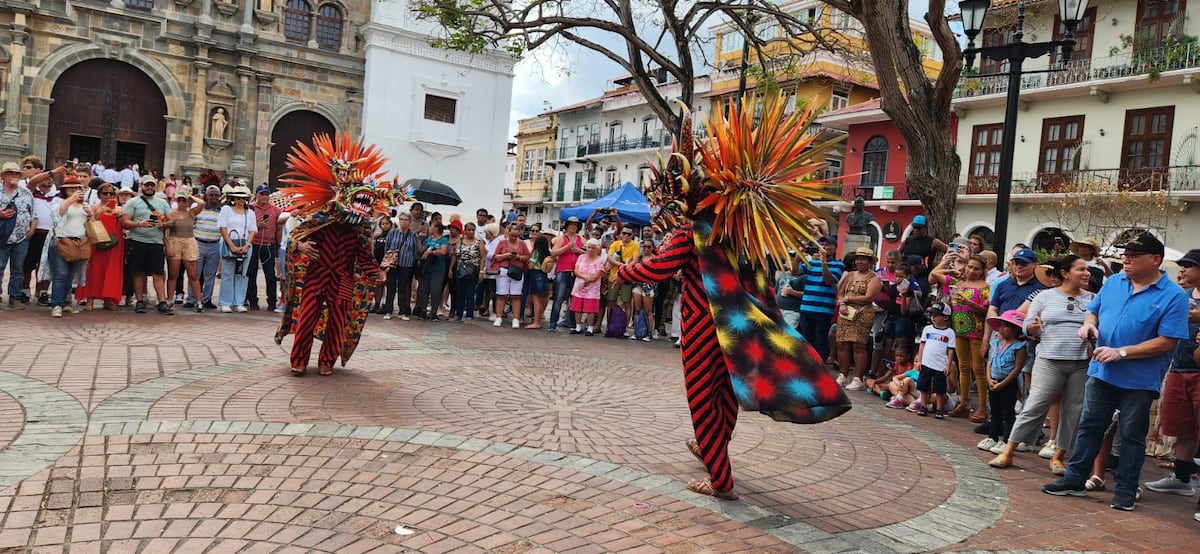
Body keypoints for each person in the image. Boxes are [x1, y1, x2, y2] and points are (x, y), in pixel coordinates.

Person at [1042, 231, 1190, 512]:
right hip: (1101, 372)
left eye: (1133, 256)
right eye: (1125, 255)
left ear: (1155, 260)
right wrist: (1088, 324)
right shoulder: (1114, 283)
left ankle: (1125, 490)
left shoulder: (1174, 297)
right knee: (1089, 427)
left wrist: (1122, 352)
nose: (1126, 260)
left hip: (1139, 380)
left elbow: (1168, 341)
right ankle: (1075, 479)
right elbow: (1093, 311)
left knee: (1132, 436)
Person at [275, 133, 391, 376]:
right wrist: (302, 246)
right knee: (306, 319)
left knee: (337, 323)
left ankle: (327, 361)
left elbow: (363, 256)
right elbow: (296, 237)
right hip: (317, 276)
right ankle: (299, 360)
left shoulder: (359, 228)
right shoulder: (321, 218)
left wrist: (377, 273)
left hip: (343, 280)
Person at [989, 255, 1095, 470]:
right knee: (1035, 404)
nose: (1087, 273)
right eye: (1081, 269)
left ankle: (1058, 456)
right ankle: (1008, 451)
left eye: (1087, 269)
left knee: (1073, 410)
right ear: (1065, 273)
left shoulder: (1093, 299)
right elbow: (1026, 325)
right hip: (1048, 360)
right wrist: (1033, 328)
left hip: (1081, 362)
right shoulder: (1044, 297)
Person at [1142, 249, 1200, 503]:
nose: (1183, 270)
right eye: (1182, 265)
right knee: (1183, 428)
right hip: (1179, 367)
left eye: (1190, 265)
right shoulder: (1183, 296)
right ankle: (1182, 479)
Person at [930, 253, 992, 422]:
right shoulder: (958, 283)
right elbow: (935, 274)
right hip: (959, 329)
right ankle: (964, 403)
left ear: (983, 271)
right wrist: (950, 268)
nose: (971, 271)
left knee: (978, 369)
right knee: (963, 367)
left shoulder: (985, 287)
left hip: (976, 331)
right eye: (969, 267)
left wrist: (969, 303)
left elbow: (987, 310)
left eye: (976, 268)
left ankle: (982, 407)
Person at [120, 174, 173, 314]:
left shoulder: (162, 203)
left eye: (152, 185)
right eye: (146, 185)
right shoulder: (133, 202)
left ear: (156, 186)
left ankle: (162, 301)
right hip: (137, 241)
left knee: (158, 273)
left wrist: (164, 224)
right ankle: (140, 301)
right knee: (138, 273)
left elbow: (172, 221)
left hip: (156, 242)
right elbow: (124, 222)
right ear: (141, 186)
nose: (149, 187)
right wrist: (139, 224)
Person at [977, 310, 1027, 451]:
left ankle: (1006, 439)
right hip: (994, 380)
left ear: (1016, 329)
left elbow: (1017, 368)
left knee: (1008, 412)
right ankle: (992, 437)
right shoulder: (996, 344)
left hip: (1008, 382)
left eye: (1006, 326)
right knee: (995, 410)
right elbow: (990, 362)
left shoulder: (1019, 347)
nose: (1001, 328)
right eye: (1000, 325)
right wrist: (989, 378)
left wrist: (1003, 383)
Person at [835, 247, 882, 390]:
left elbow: (869, 297)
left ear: (869, 261)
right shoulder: (850, 275)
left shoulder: (874, 278)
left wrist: (848, 298)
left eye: (863, 259)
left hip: (863, 313)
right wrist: (842, 302)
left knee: (859, 345)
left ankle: (859, 378)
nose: (859, 261)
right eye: (857, 258)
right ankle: (843, 374)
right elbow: (840, 292)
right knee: (842, 343)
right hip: (846, 312)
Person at [45, 176, 92, 317]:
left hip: (80, 242)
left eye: (76, 187)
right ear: (64, 190)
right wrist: (71, 200)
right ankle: (56, 304)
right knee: (61, 273)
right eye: (70, 188)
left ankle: (65, 302)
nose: (74, 190)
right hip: (60, 241)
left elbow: (91, 221)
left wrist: (90, 214)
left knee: (70, 276)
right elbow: (56, 215)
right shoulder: (58, 201)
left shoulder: (85, 203)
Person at [797, 237, 845, 363]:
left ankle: (820, 365)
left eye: (828, 245)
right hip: (806, 307)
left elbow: (829, 280)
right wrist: (798, 254)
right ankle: (806, 364)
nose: (824, 247)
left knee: (820, 339)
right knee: (806, 339)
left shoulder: (839, 265)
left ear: (835, 248)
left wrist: (823, 262)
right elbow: (795, 271)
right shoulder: (812, 263)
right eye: (822, 244)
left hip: (823, 310)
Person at [911, 301, 957, 418]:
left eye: (937, 315)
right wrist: (920, 360)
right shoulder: (927, 329)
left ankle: (939, 409)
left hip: (940, 364)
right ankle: (923, 405)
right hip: (926, 362)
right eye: (932, 315)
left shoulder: (949, 333)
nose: (933, 317)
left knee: (940, 388)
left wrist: (948, 365)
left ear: (946, 317)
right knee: (923, 386)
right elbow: (922, 345)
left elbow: (951, 350)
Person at [217, 185, 257, 313]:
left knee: (242, 273)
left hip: (245, 244)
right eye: (238, 198)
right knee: (227, 273)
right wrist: (232, 246)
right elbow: (222, 228)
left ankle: (239, 301)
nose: (241, 200)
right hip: (229, 244)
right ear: (233, 198)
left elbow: (252, 230)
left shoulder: (250, 213)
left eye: (243, 198)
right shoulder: (226, 209)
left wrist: (247, 245)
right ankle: (225, 302)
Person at [165, 186, 204, 313]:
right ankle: (169, 299)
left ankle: (199, 301)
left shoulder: (191, 212)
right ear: (177, 200)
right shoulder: (171, 214)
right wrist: (167, 245)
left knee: (193, 274)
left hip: (189, 242)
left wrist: (190, 196)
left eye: (184, 200)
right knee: (173, 274)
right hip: (174, 240)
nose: (182, 202)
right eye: (180, 199)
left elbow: (201, 203)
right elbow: (165, 231)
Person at [247, 183, 283, 311]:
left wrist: (278, 245)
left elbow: (280, 227)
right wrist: (258, 226)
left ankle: (272, 302)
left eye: (266, 194)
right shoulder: (250, 209)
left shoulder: (275, 210)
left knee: (270, 274)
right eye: (261, 194)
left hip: (268, 245)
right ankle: (252, 300)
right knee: (251, 273)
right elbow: (246, 227)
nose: (264, 197)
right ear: (256, 195)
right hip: (253, 244)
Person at [187, 186, 223, 310]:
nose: (213, 197)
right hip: (198, 243)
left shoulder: (223, 210)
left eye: (216, 195)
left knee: (210, 275)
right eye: (211, 195)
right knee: (194, 273)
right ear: (206, 196)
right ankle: (191, 299)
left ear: (220, 196)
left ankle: (206, 299)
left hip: (215, 245)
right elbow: (190, 223)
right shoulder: (198, 208)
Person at [381, 212, 420, 320]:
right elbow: (387, 247)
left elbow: (415, 251)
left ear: (410, 222)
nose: (403, 221)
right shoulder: (393, 233)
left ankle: (402, 311)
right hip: (392, 264)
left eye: (406, 220)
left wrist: (413, 264)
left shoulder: (413, 235)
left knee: (403, 288)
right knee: (391, 287)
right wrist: (387, 262)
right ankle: (388, 310)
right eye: (401, 219)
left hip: (406, 264)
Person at [490, 222, 529, 328]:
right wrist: (506, 255)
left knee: (516, 296)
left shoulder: (522, 244)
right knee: (501, 295)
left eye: (516, 236)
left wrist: (519, 258)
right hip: (503, 270)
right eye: (512, 235)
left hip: (517, 271)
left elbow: (527, 257)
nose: (513, 237)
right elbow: (495, 257)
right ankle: (499, 317)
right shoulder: (502, 243)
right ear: (508, 232)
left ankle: (515, 319)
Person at [549, 216, 584, 332]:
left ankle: (572, 323)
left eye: (575, 224)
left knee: (574, 299)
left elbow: (588, 252)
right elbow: (554, 253)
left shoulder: (581, 239)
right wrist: (567, 247)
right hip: (563, 270)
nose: (573, 226)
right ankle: (553, 323)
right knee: (559, 297)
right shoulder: (561, 238)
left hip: (577, 272)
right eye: (571, 224)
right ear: (567, 226)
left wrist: (578, 251)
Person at [900, 214, 948, 293]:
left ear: (925, 228)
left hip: (923, 278)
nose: (916, 230)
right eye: (914, 227)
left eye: (919, 228)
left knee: (921, 300)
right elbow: (896, 253)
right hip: (906, 277)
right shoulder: (907, 241)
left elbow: (949, 251)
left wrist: (939, 265)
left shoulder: (933, 242)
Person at [570, 238, 608, 335]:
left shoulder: (599, 260)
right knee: (577, 307)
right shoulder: (581, 257)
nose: (590, 250)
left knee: (590, 309)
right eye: (589, 248)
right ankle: (578, 326)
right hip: (579, 285)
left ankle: (590, 328)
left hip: (592, 288)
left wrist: (586, 281)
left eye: (593, 248)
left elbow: (597, 275)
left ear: (596, 249)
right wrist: (585, 278)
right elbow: (576, 270)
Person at [449, 221, 485, 322]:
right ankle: (458, 315)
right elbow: (455, 256)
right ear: (465, 231)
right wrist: (451, 269)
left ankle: (469, 315)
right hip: (460, 270)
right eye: (469, 230)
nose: (471, 232)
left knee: (470, 293)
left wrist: (481, 271)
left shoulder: (479, 242)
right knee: (459, 293)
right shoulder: (460, 242)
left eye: (473, 230)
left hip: (473, 271)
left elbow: (482, 257)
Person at [413, 221, 449, 320]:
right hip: (426, 268)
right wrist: (419, 240)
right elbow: (422, 251)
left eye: (432, 226)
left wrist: (431, 252)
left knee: (435, 290)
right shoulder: (429, 239)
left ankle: (434, 312)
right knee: (423, 289)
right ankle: (423, 310)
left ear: (436, 228)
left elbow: (443, 251)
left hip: (438, 269)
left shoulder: (443, 240)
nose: (430, 228)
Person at [525, 233, 552, 329]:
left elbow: (531, 265)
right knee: (541, 299)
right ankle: (538, 319)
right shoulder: (547, 252)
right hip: (543, 274)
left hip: (536, 274)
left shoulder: (536, 251)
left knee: (535, 299)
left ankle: (536, 322)